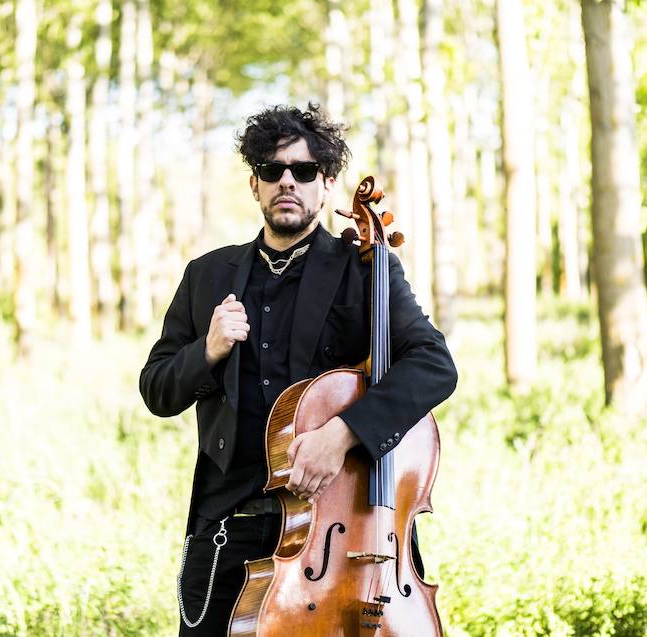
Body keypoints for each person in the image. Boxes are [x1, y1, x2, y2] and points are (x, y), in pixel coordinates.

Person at [139, 104, 457, 636]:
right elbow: (157, 389)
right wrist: (208, 351)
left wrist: (344, 433)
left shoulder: (366, 269)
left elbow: (433, 365)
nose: (287, 181)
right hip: (229, 533)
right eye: (272, 170)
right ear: (255, 184)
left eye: (304, 171)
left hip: (342, 534)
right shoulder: (206, 276)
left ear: (326, 184)